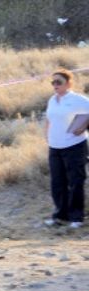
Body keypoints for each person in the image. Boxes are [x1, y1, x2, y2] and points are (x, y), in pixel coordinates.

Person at [44, 69, 89, 228]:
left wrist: (83, 126)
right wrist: (47, 137)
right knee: (57, 182)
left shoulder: (77, 99)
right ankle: (60, 216)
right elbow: (49, 119)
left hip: (74, 146)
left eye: (59, 82)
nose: (55, 85)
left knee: (75, 181)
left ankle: (76, 217)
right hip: (55, 147)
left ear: (69, 83)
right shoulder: (52, 100)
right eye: (53, 82)